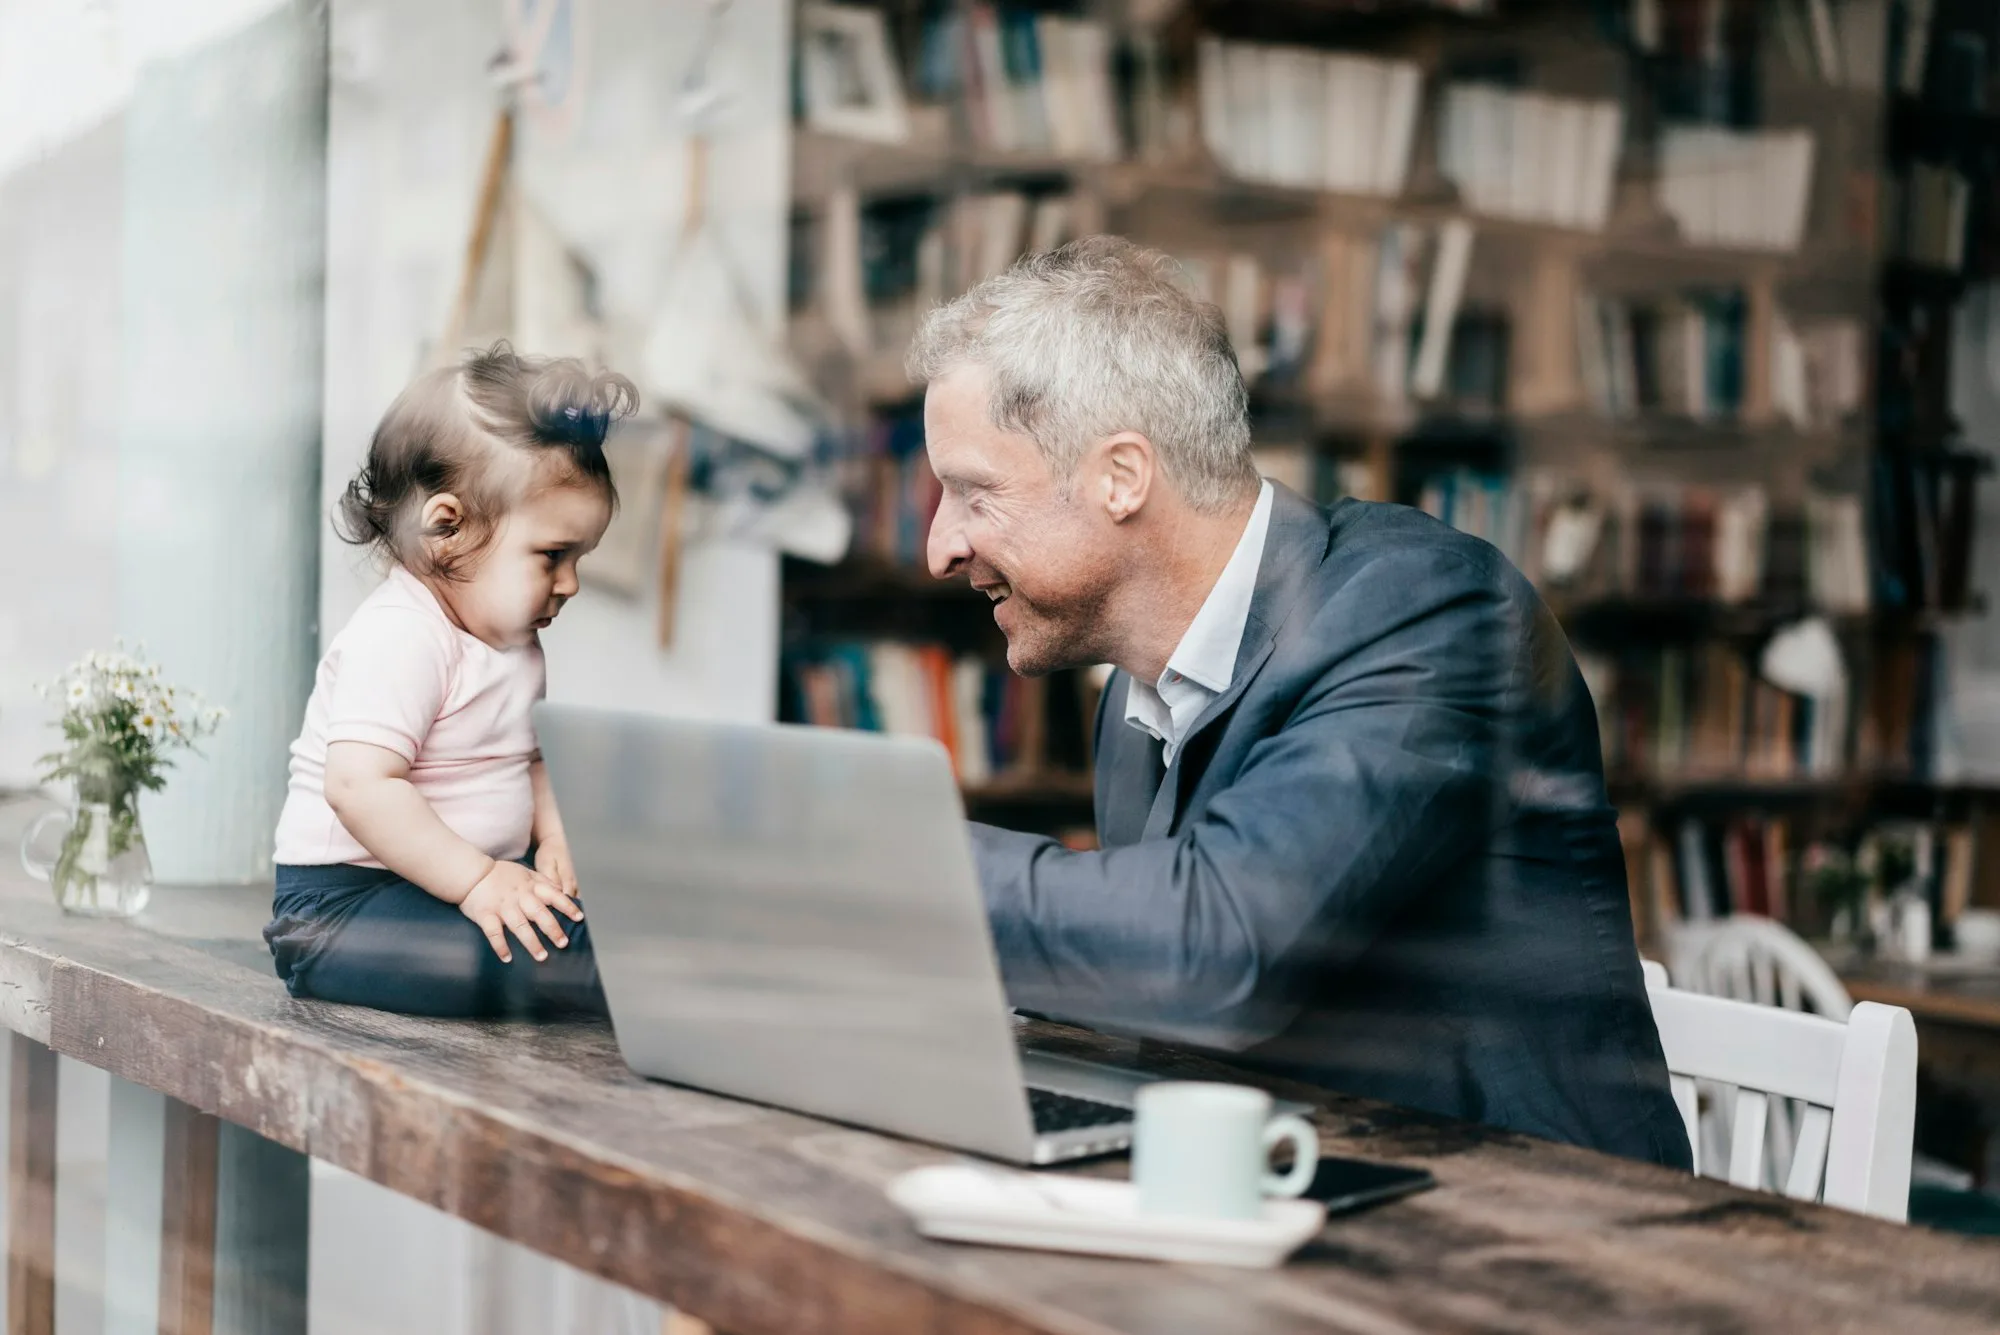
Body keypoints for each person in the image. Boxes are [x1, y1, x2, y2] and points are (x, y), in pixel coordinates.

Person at [907, 236, 1692, 1168]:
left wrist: (902, 865)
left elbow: (1220, 951)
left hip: (1554, 1233)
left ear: (1122, 475)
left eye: (973, 493)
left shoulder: (1433, 610)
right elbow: (1156, 985)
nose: (939, 546)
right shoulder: (1136, 691)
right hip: (1309, 1190)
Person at [263, 343, 633, 1017]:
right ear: (446, 530)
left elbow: (532, 760)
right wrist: (480, 877)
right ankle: (642, 991)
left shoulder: (511, 638)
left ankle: (642, 973)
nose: (571, 583)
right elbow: (360, 787)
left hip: (450, 888)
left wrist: (554, 838)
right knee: (544, 952)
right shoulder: (402, 634)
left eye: (580, 557)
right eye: (553, 555)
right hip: (342, 911)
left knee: (608, 918)